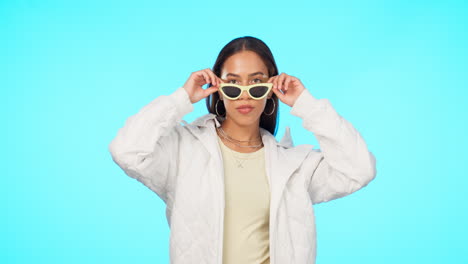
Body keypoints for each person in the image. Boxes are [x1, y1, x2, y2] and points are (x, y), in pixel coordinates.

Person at [108, 36, 377, 264]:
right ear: (219, 88)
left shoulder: (295, 165)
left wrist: (306, 103)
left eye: (257, 83)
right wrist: (181, 98)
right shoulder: (183, 150)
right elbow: (126, 151)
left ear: (271, 90)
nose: (245, 94)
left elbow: (359, 170)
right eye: (233, 84)